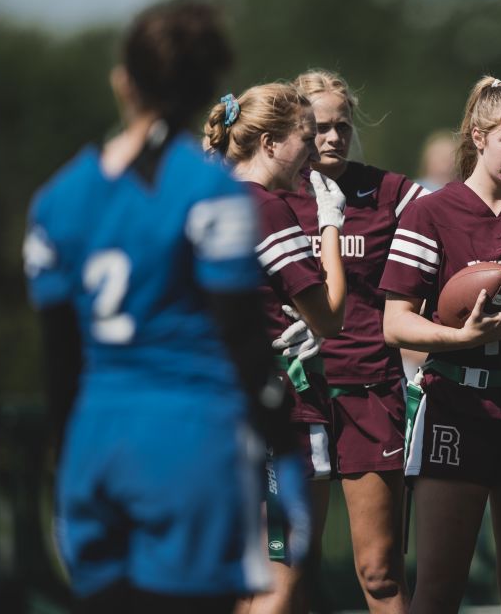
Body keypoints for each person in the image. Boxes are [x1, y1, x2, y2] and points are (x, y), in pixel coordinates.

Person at [23, 0, 308, 613]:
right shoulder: (210, 193)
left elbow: (59, 361)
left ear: (122, 81)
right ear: (208, 86)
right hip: (188, 442)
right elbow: (244, 343)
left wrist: (68, 464)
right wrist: (285, 452)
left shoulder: (56, 200)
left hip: (95, 444)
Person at [379, 76, 501, 613]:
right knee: (439, 590)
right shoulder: (431, 212)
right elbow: (394, 323)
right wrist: (457, 337)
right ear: (479, 136)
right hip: (458, 409)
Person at [278, 69, 426, 613]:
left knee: (381, 573)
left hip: (370, 393)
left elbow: (452, 239)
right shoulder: (270, 198)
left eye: (343, 125)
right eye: (318, 127)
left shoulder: (391, 192)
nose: (333, 137)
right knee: (286, 569)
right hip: (294, 400)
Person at [204, 81, 348, 614]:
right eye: (305, 138)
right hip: (279, 409)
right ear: (268, 142)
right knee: (278, 583)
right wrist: (330, 228)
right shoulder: (265, 207)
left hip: (213, 408)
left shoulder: (206, 197)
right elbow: (329, 317)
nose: (313, 151)